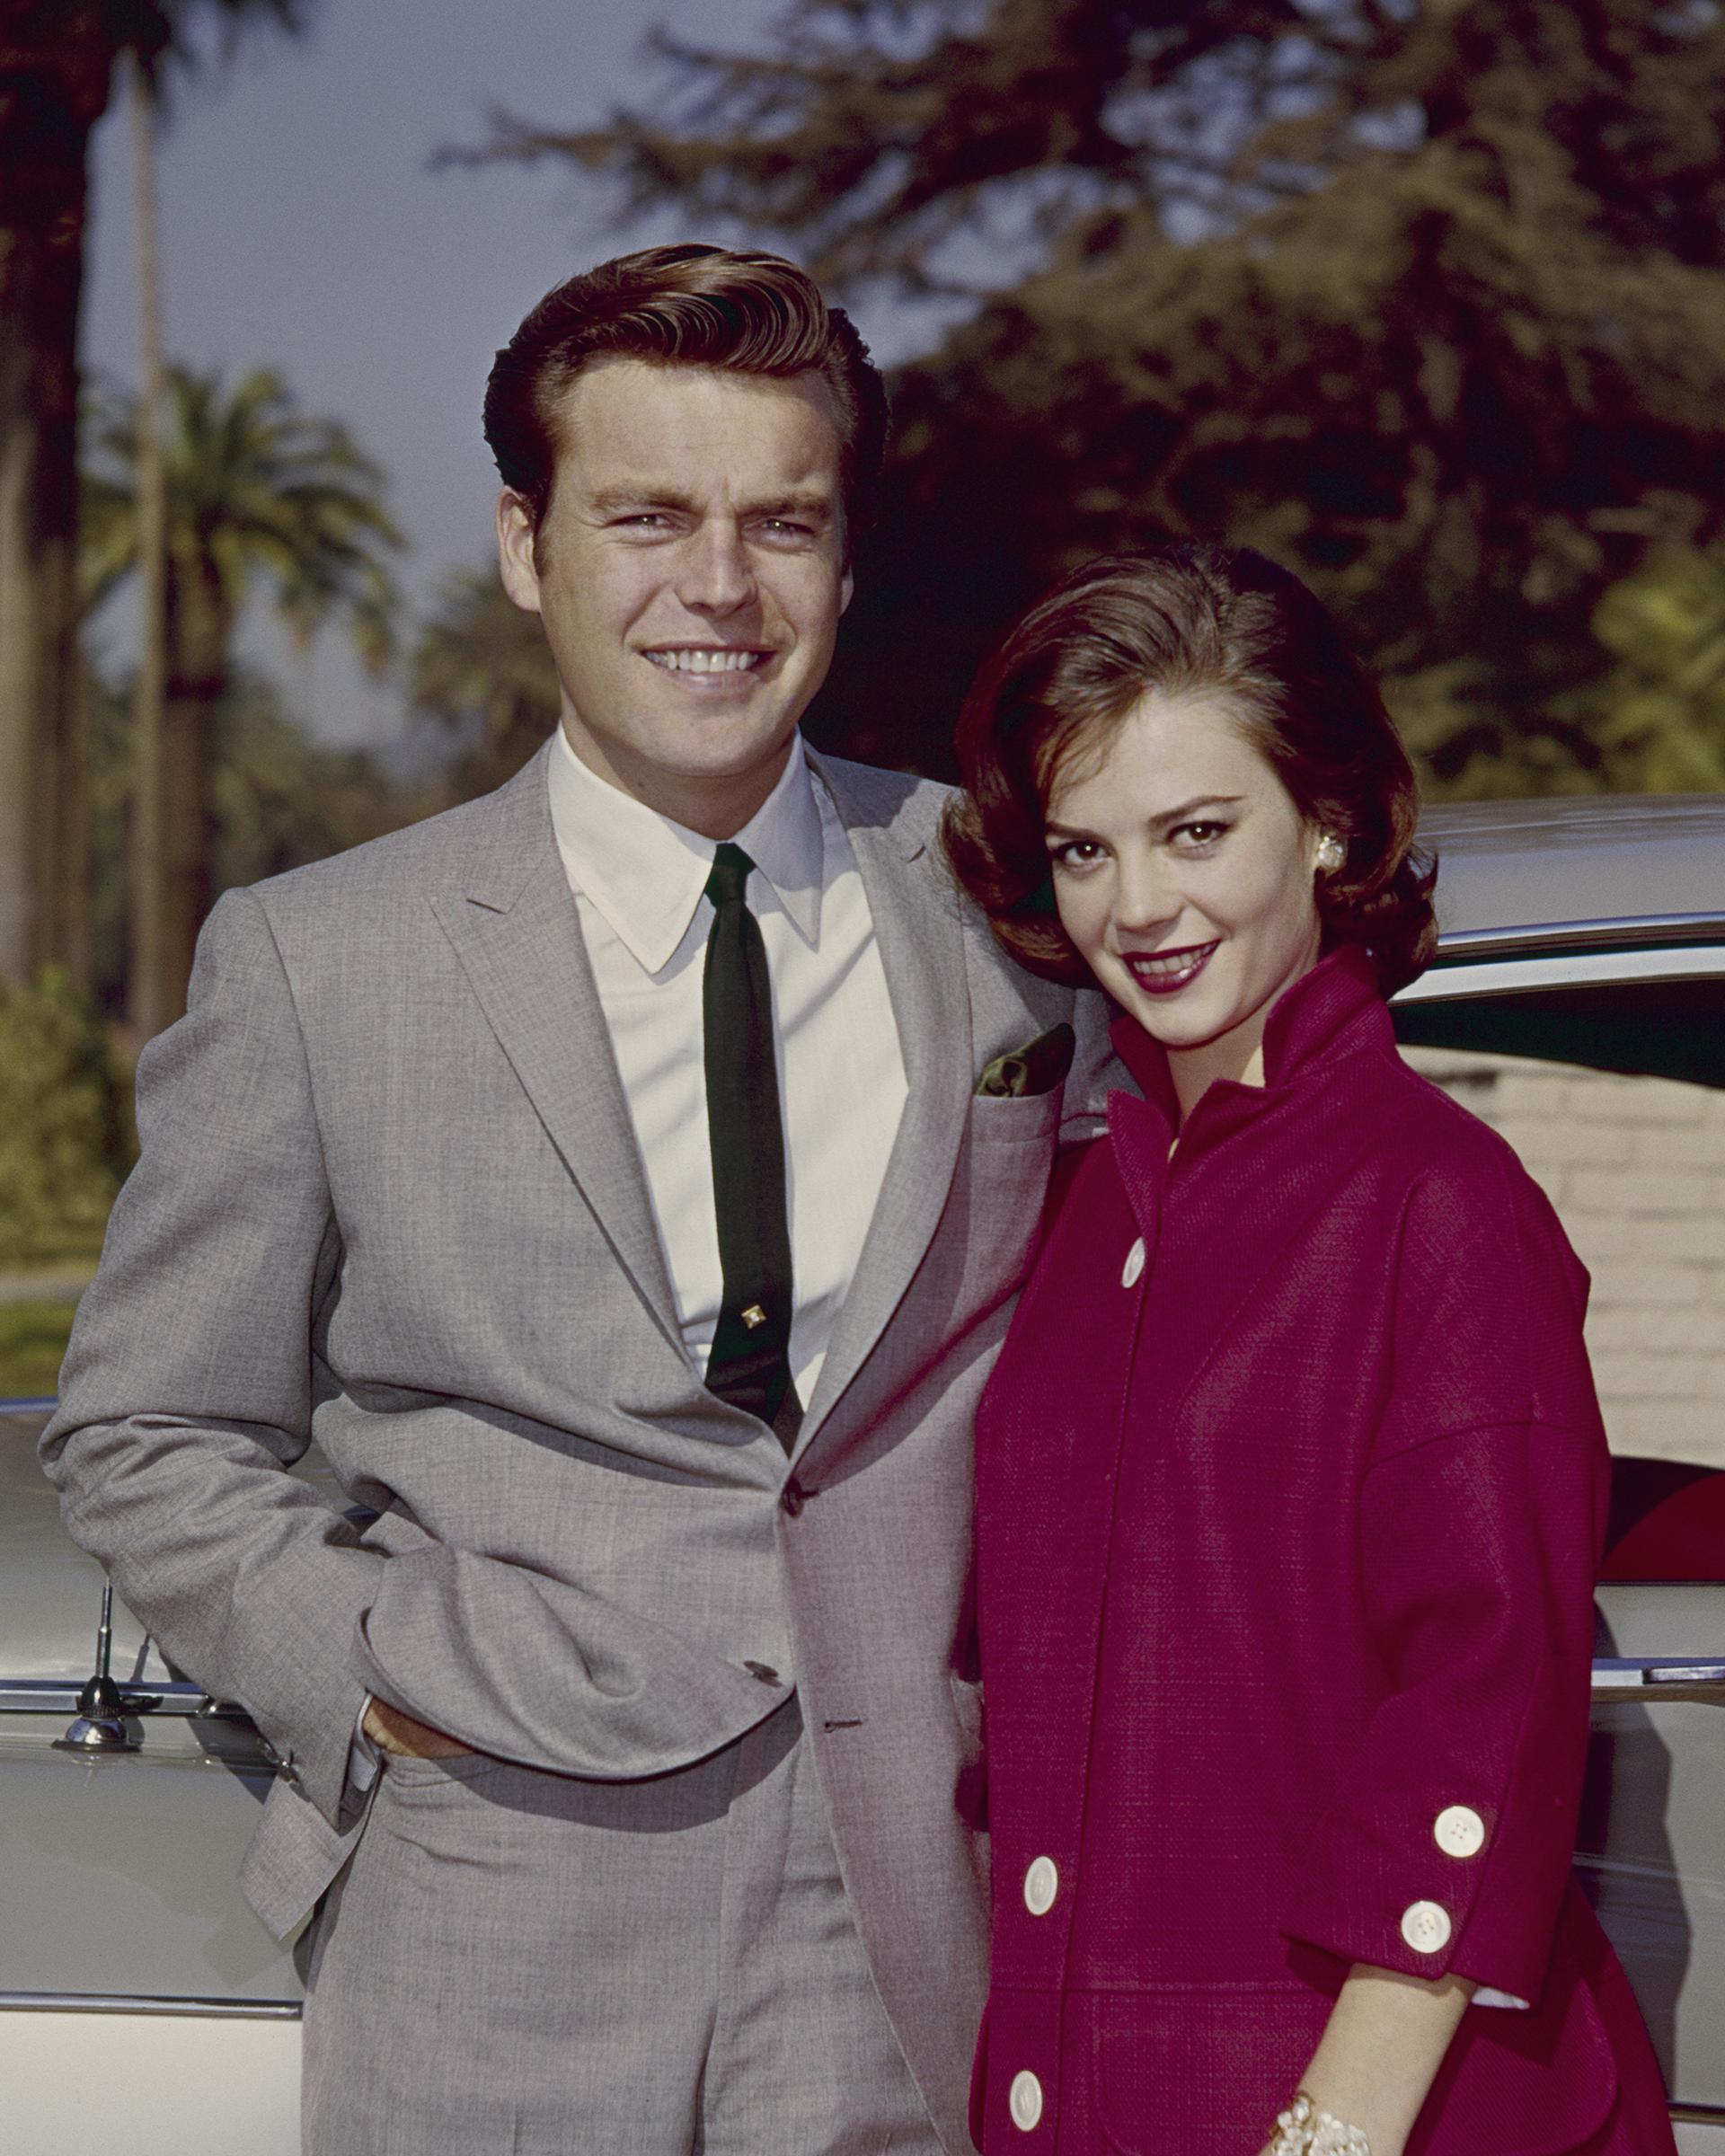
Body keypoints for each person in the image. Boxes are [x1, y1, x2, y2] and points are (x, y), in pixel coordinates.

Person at [40, 244, 1106, 2155]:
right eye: (648, 517)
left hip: (921, 1918)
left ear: (845, 561)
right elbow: (143, 1427)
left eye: (782, 521)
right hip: (490, 1898)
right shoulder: (319, 959)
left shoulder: (1010, 913)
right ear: (528, 548)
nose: (720, 585)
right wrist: (368, 1676)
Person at [942, 545, 1676, 2155]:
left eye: (1197, 832)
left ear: (1329, 822)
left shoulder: (1439, 1202)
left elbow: (1486, 1695)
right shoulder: (1070, 1206)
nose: (1140, 907)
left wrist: (1327, 2137)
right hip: (1077, 2101)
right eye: (1085, 849)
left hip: (1362, 2110)